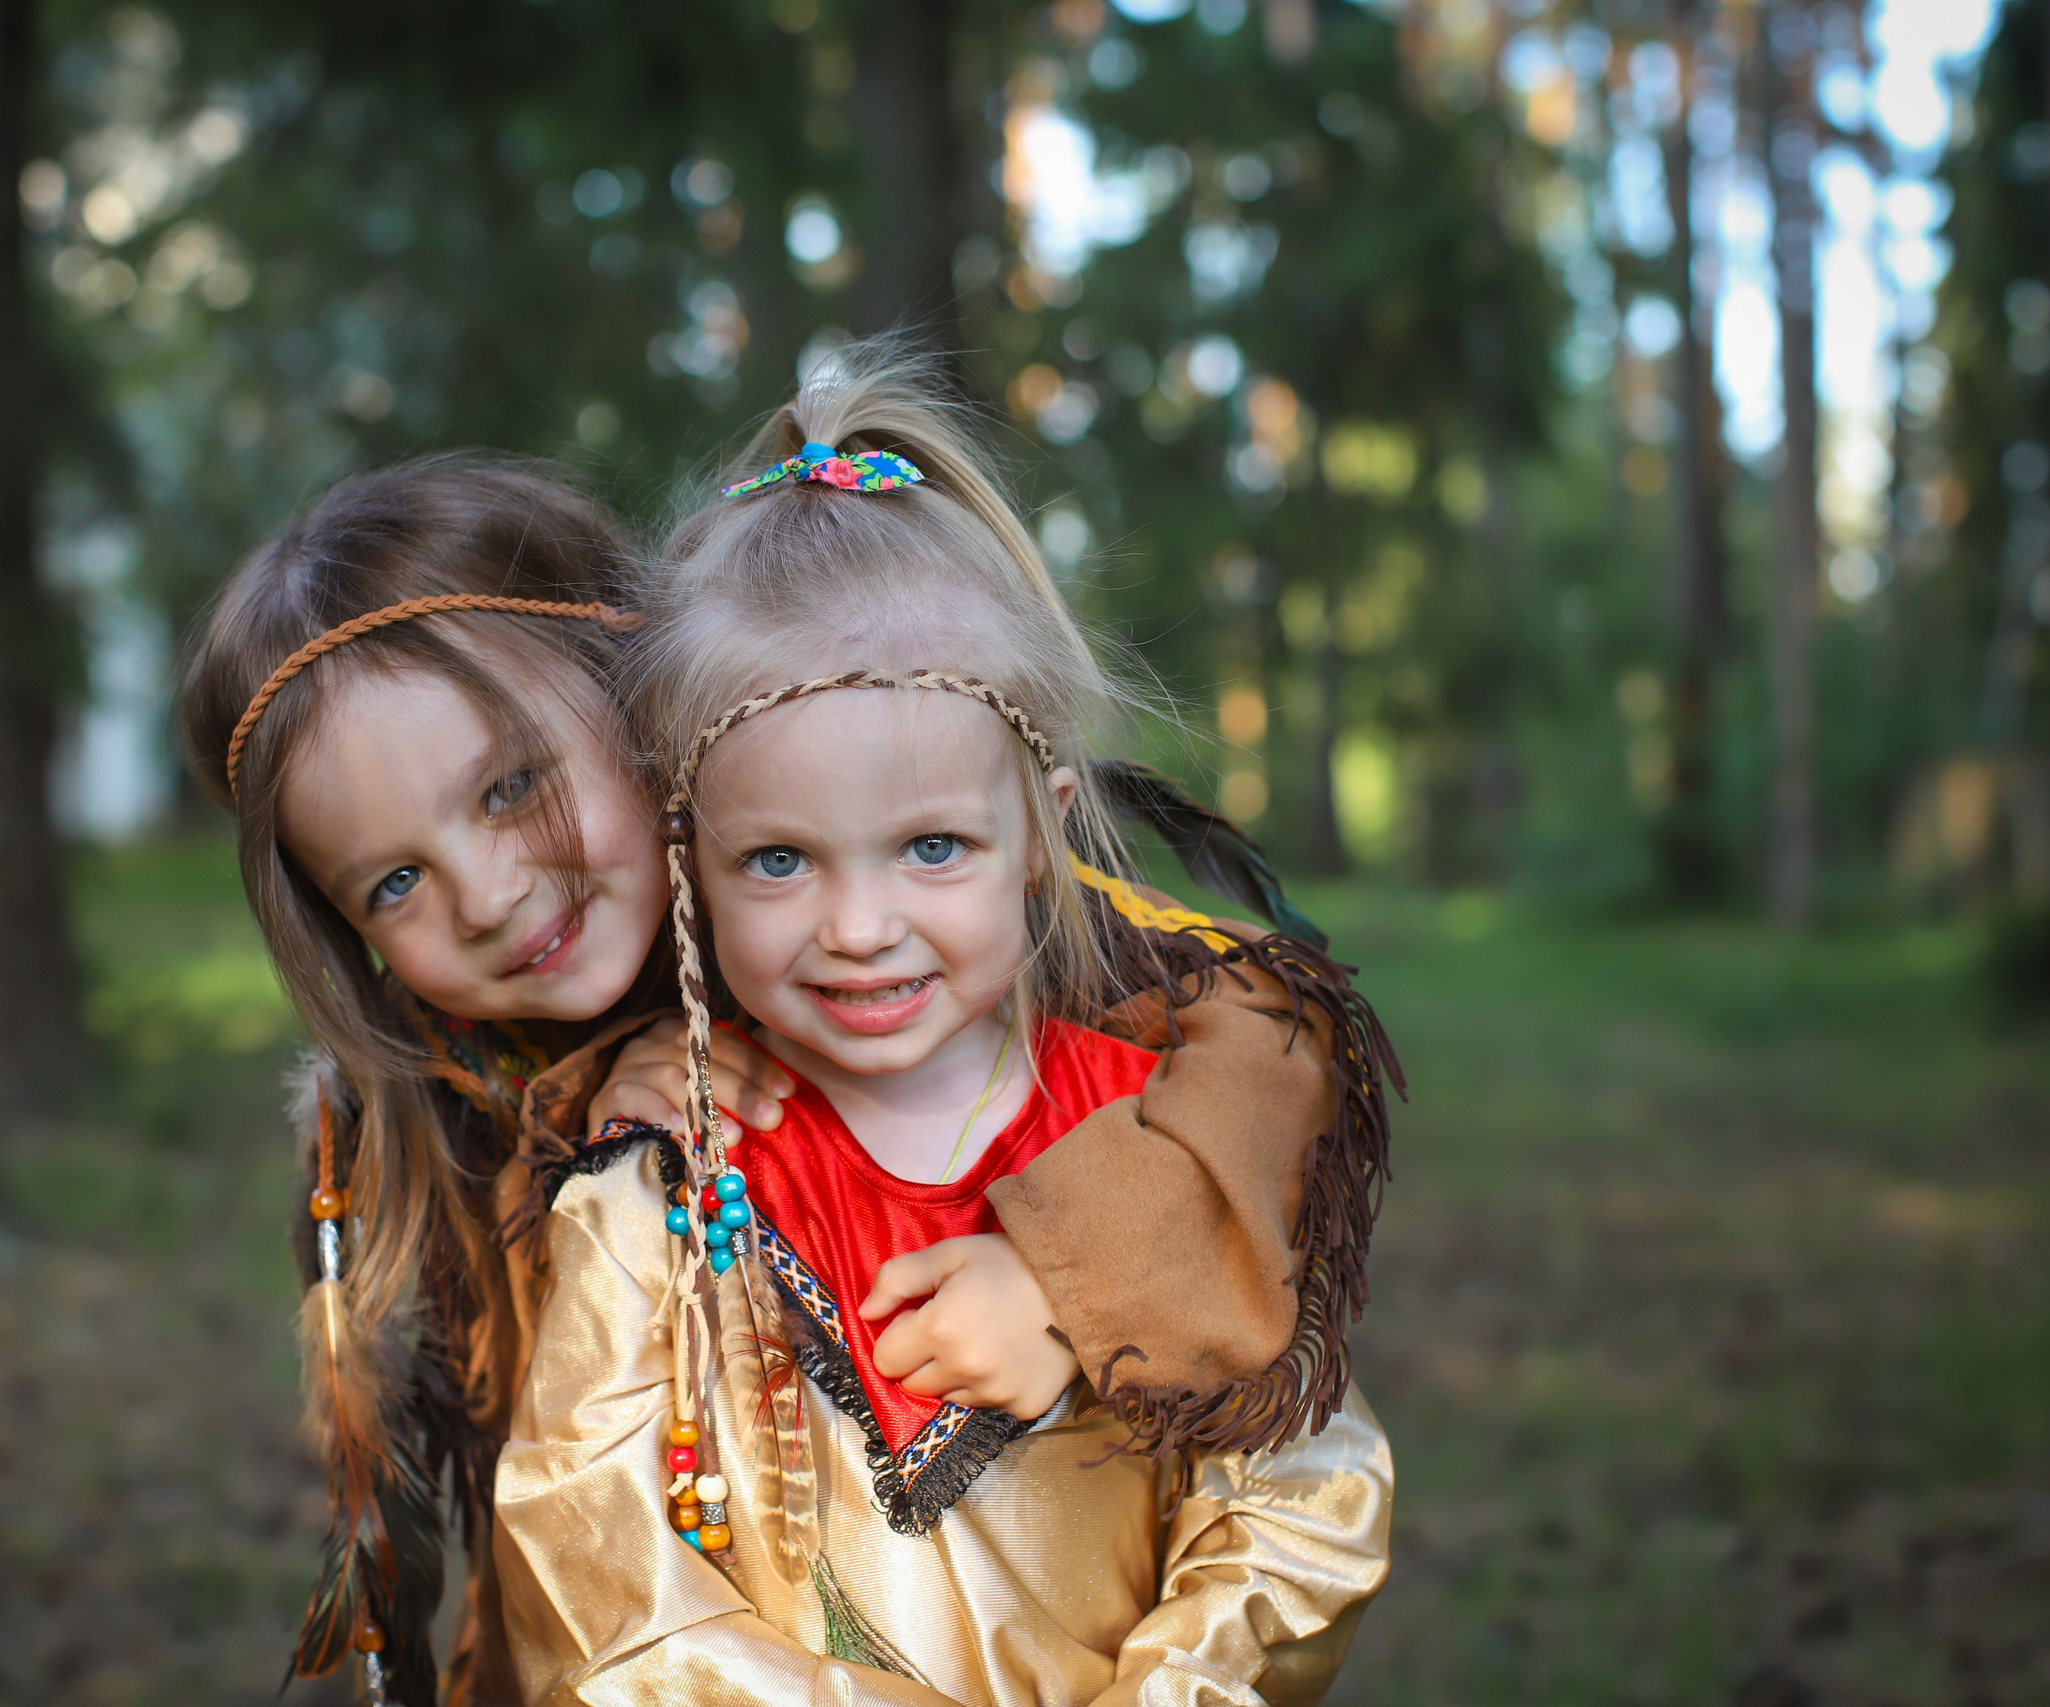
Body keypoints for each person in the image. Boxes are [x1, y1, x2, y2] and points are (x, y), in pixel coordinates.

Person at [178, 435, 1395, 1704]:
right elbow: (580, 1557)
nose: (486, 896)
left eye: (512, 786)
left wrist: (1070, 1274)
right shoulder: (487, 1102)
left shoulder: (939, 888)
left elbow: (1281, 1038)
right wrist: (572, 1117)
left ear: (645, 710)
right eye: (392, 882)